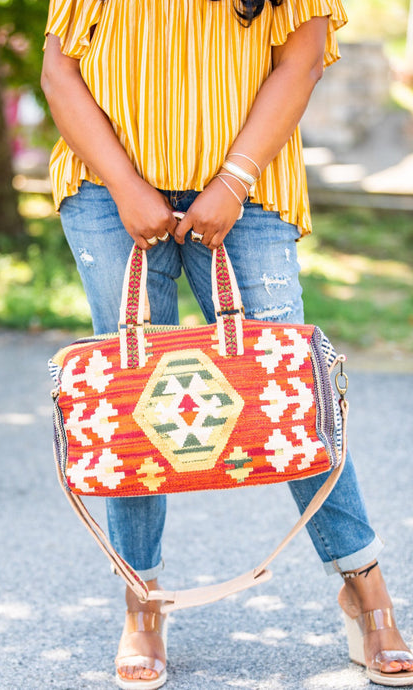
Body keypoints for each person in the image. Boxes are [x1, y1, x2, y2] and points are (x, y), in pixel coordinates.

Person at [41, 1, 413, 687]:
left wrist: (232, 181)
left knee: (292, 394)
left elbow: (300, 60)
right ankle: (142, 603)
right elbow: (59, 70)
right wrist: (126, 186)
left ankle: (365, 592)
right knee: (131, 401)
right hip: (107, 188)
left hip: (252, 185)